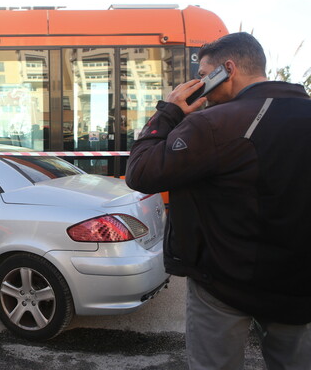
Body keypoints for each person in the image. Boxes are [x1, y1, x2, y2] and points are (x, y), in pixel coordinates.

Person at [125, 32, 311, 369]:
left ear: (227, 69)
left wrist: (168, 112)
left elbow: (140, 172)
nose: (199, 84)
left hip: (223, 284)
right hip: (298, 283)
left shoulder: (213, 124)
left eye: (202, 75)